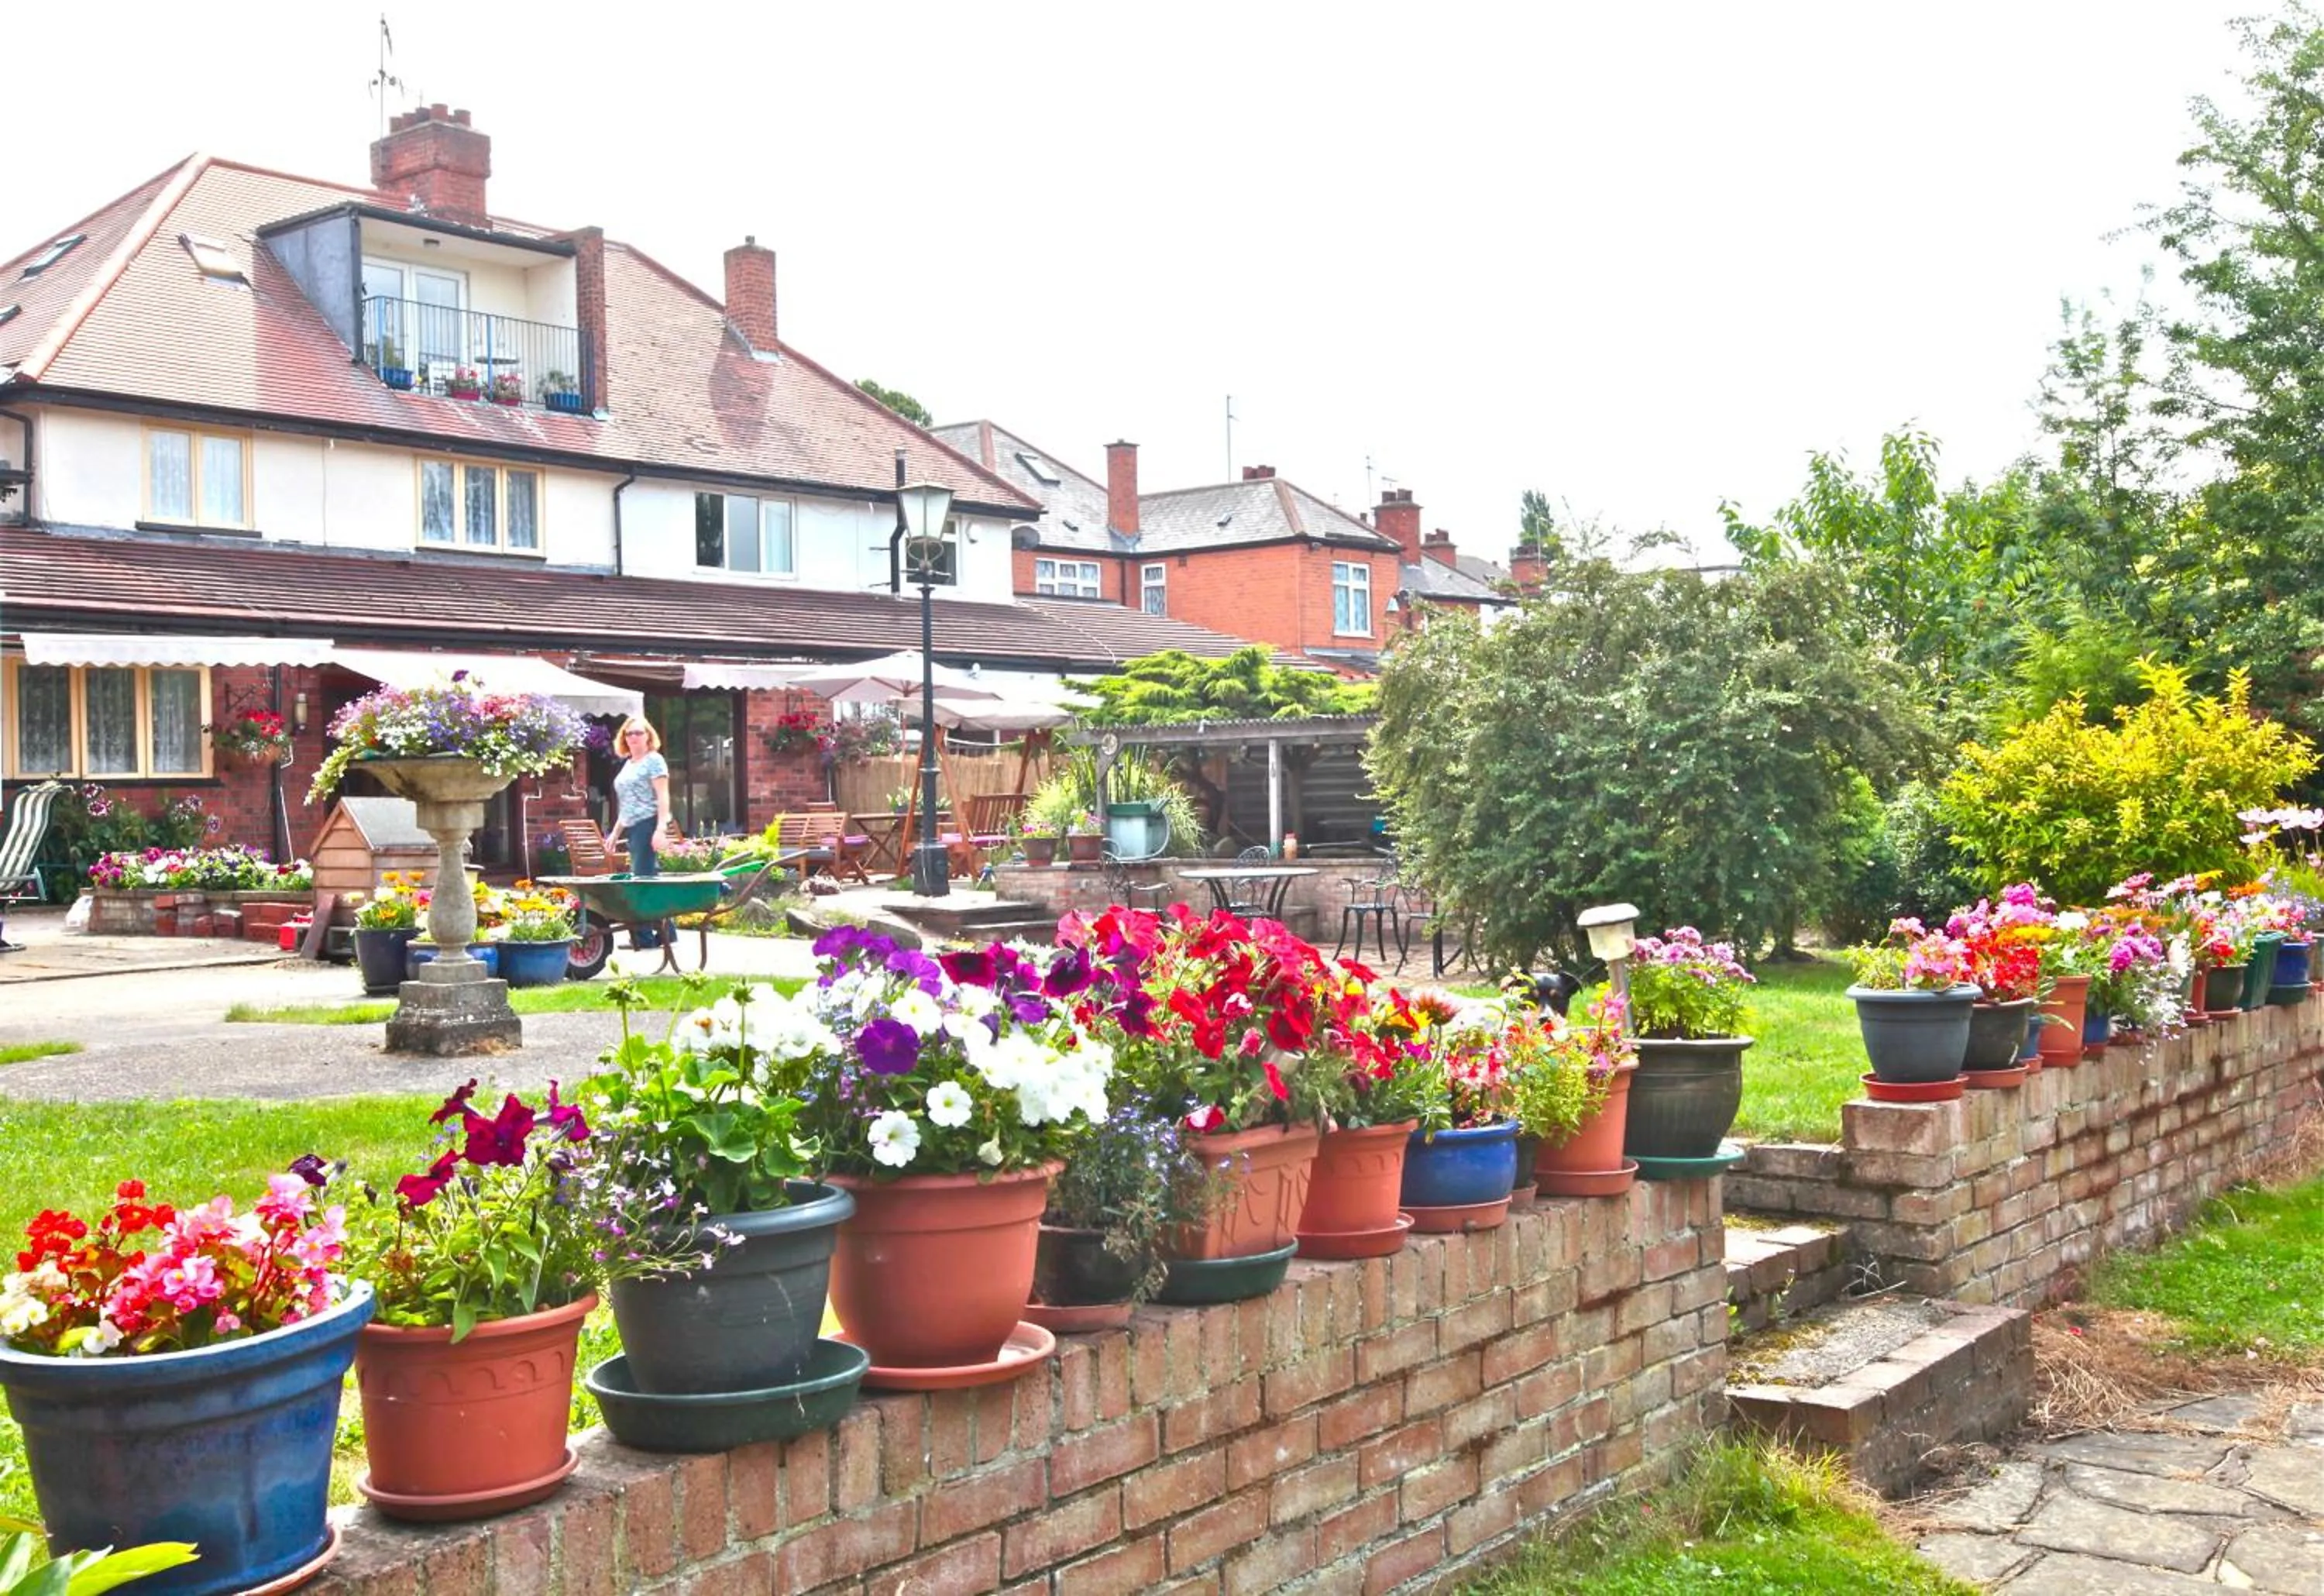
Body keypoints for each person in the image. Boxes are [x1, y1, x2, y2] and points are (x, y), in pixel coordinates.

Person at [608, 716, 672, 949]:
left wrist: (661, 829)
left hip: (648, 824)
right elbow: (626, 805)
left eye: (638, 733)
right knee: (649, 879)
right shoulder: (629, 763)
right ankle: (668, 934)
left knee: (642, 882)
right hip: (634, 827)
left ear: (648, 736)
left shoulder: (654, 760)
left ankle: (644, 938)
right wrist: (615, 833)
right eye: (629, 734)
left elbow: (663, 796)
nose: (633, 737)